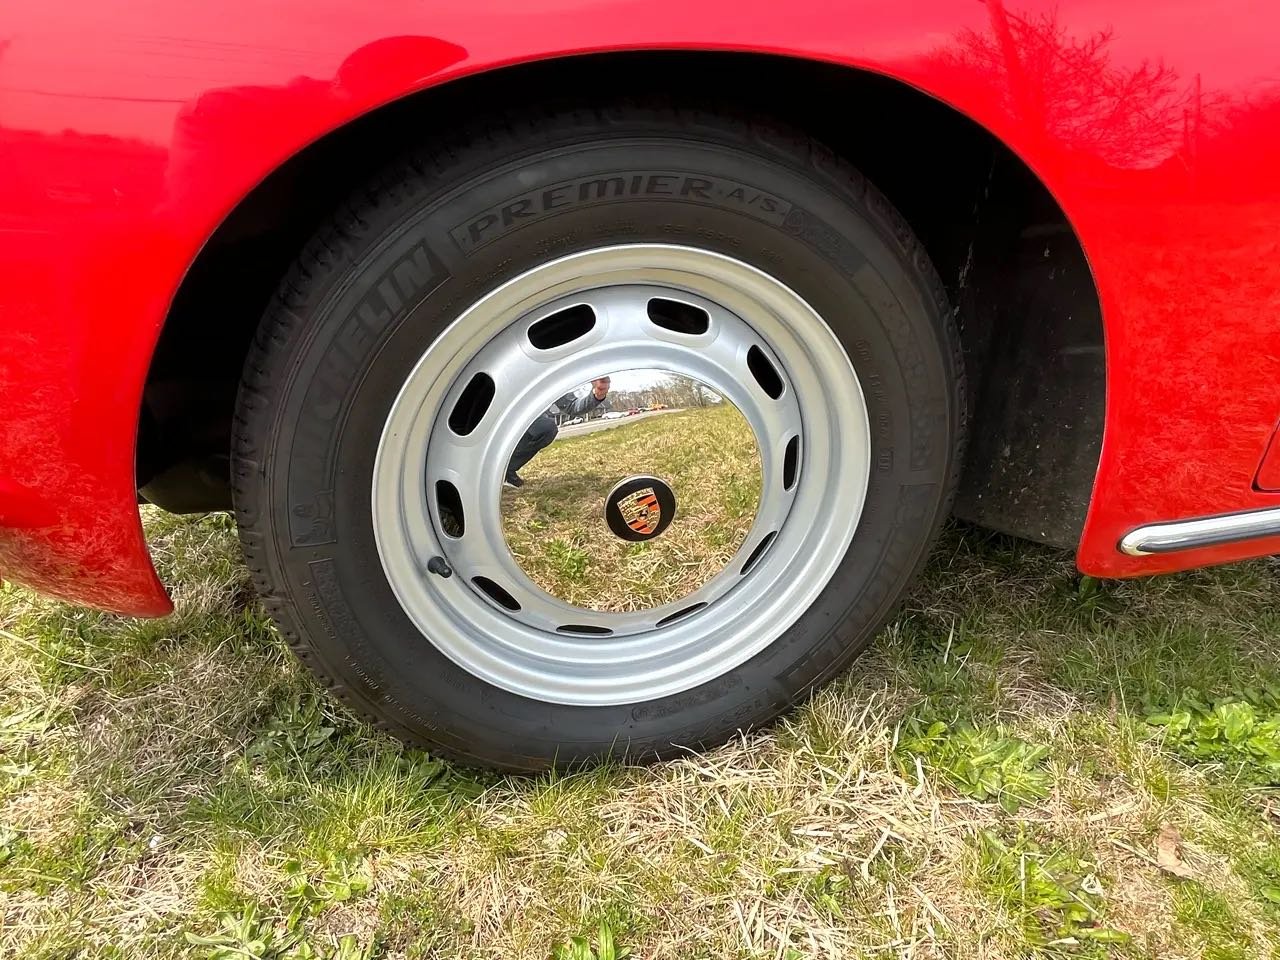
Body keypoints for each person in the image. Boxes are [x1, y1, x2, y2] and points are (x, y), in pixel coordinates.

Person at [505, 377, 611, 487]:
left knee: (547, 428)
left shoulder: (551, 378)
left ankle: (507, 469)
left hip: (522, 422)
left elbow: (572, 406)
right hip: (497, 412)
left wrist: (596, 395)